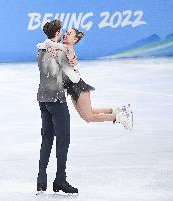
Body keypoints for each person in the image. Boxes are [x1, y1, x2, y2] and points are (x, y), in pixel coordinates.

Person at [37, 28, 133, 130]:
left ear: (74, 40)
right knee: (86, 115)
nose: (65, 35)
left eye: (69, 34)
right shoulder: (61, 49)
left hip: (78, 87)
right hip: (72, 89)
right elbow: (42, 45)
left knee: (89, 117)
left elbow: (47, 42)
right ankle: (117, 110)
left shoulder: (67, 48)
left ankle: (121, 117)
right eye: (65, 33)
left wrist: (48, 46)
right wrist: (48, 47)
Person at [36, 20, 79, 194]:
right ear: (58, 32)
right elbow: (73, 78)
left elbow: (43, 46)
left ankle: (41, 180)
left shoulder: (41, 50)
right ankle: (60, 180)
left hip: (43, 99)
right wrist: (75, 68)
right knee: (63, 141)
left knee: (46, 140)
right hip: (56, 100)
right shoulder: (59, 53)